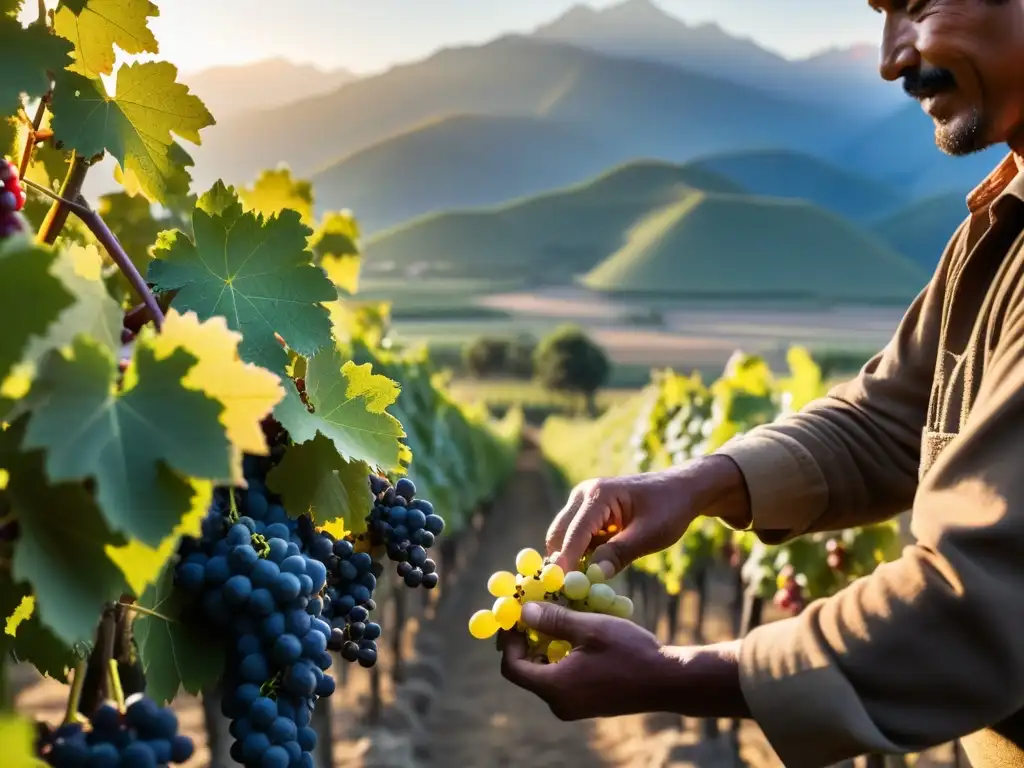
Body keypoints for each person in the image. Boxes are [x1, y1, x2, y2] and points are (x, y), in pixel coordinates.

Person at [499, 1, 1024, 766]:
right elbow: (894, 417)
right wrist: (702, 482)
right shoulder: (1005, 221)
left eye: (916, 4)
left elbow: (975, 609)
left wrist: (675, 676)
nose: (891, 59)